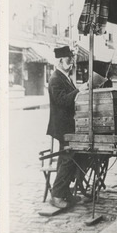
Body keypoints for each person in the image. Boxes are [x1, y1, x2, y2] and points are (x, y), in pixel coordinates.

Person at [47, 46, 88, 209]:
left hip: (68, 125)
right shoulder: (55, 78)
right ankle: (56, 195)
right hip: (62, 127)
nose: (71, 63)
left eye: (72, 60)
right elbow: (62, 101)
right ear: (60, 61)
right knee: (67, 159)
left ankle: (66, 192)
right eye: (68, 60)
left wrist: (80, 91)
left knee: (74, 158)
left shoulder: (64, 77)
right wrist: (79, 90)